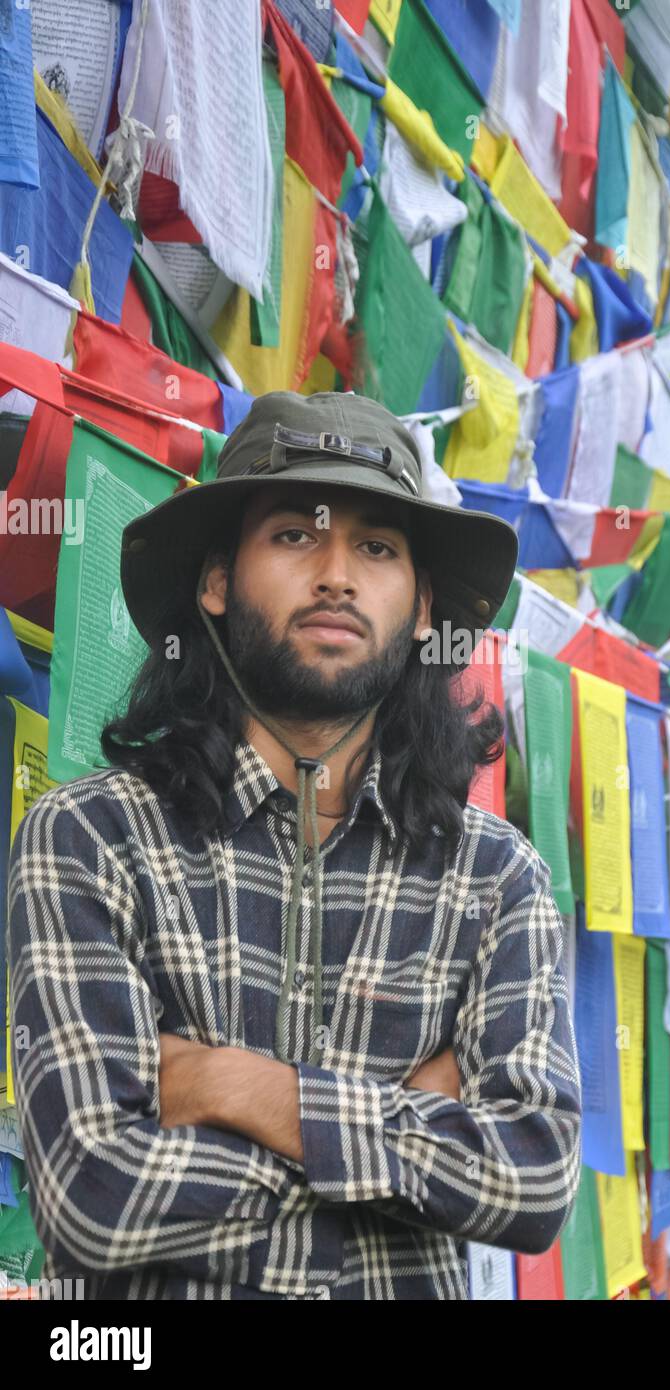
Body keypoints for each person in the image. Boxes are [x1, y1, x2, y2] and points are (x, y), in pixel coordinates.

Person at [7, 391, 582, 1300]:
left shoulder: (495, 878)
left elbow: (532, 1175)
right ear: (216, 581)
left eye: (378, 548)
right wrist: (406, 1135)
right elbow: (91, 1194)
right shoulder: (91, 837)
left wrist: (241, 1089)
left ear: (424, 606)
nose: (338, 576)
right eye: (293, 536)